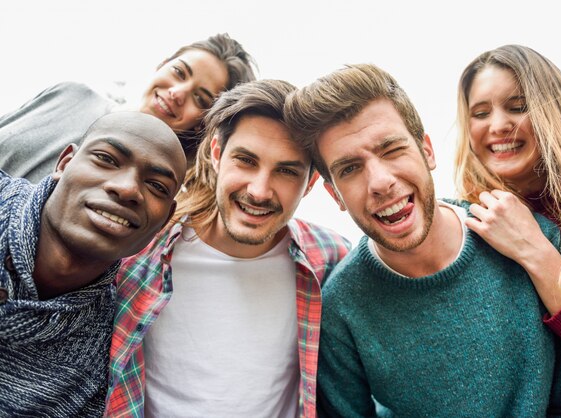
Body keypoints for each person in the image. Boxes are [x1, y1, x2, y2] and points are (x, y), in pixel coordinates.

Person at [284, 63, 561, 417]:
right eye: (350, 169)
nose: (379, 181)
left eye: (392, 149)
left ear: (427, 151)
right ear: (334, 195)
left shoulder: (531, 241)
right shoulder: (340, 308)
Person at [105, 79, 351, 417]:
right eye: (246, 161)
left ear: (309, 184)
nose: (260, 191)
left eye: (286, 171)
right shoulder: (138, 253)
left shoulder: (330, 259)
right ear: (217, 154)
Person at [454, 44, 561, 413]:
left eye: (517, 107)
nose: (498, 125)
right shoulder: (469, 226)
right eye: (480, 113)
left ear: (555, 112)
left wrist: (536, 252)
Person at [0, 111, 187, 417]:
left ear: (165, 219)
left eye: (156, 186)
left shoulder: (108, 357)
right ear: (64, 163)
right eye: (106, 158)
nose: (127, 189)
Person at [0, 33, 256, 182]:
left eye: (200, 99)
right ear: (162, 63)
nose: (178, 93)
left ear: (203, 124)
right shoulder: (70, 94)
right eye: (179, 72)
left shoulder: (150, 187)